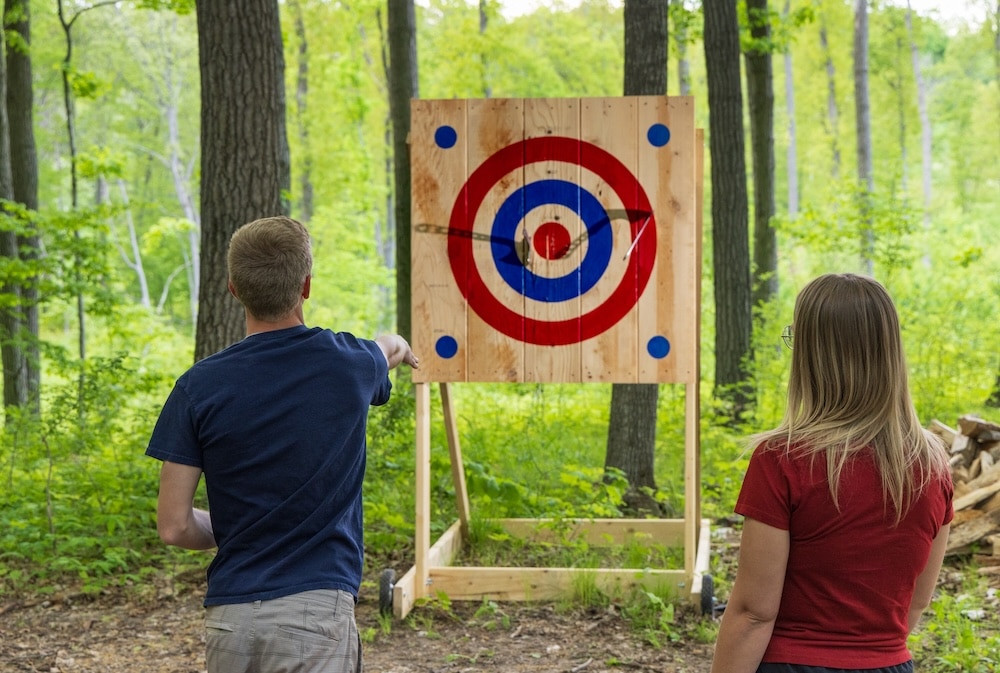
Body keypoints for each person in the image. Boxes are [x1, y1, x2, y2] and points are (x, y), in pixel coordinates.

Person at [146, 215, 418, 673]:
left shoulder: (197, 386)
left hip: (230, 622)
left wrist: (243, 526)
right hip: (315, 617)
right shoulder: (348, 365)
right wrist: (401, 345)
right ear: (306, 285)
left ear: (233, 288)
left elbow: (173, 526)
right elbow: (387, 348)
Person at [710, 273, 953, 673]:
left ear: (811, 355)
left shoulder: (782, 459)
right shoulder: (932, 465)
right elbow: (917, 602)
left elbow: (754, 612)